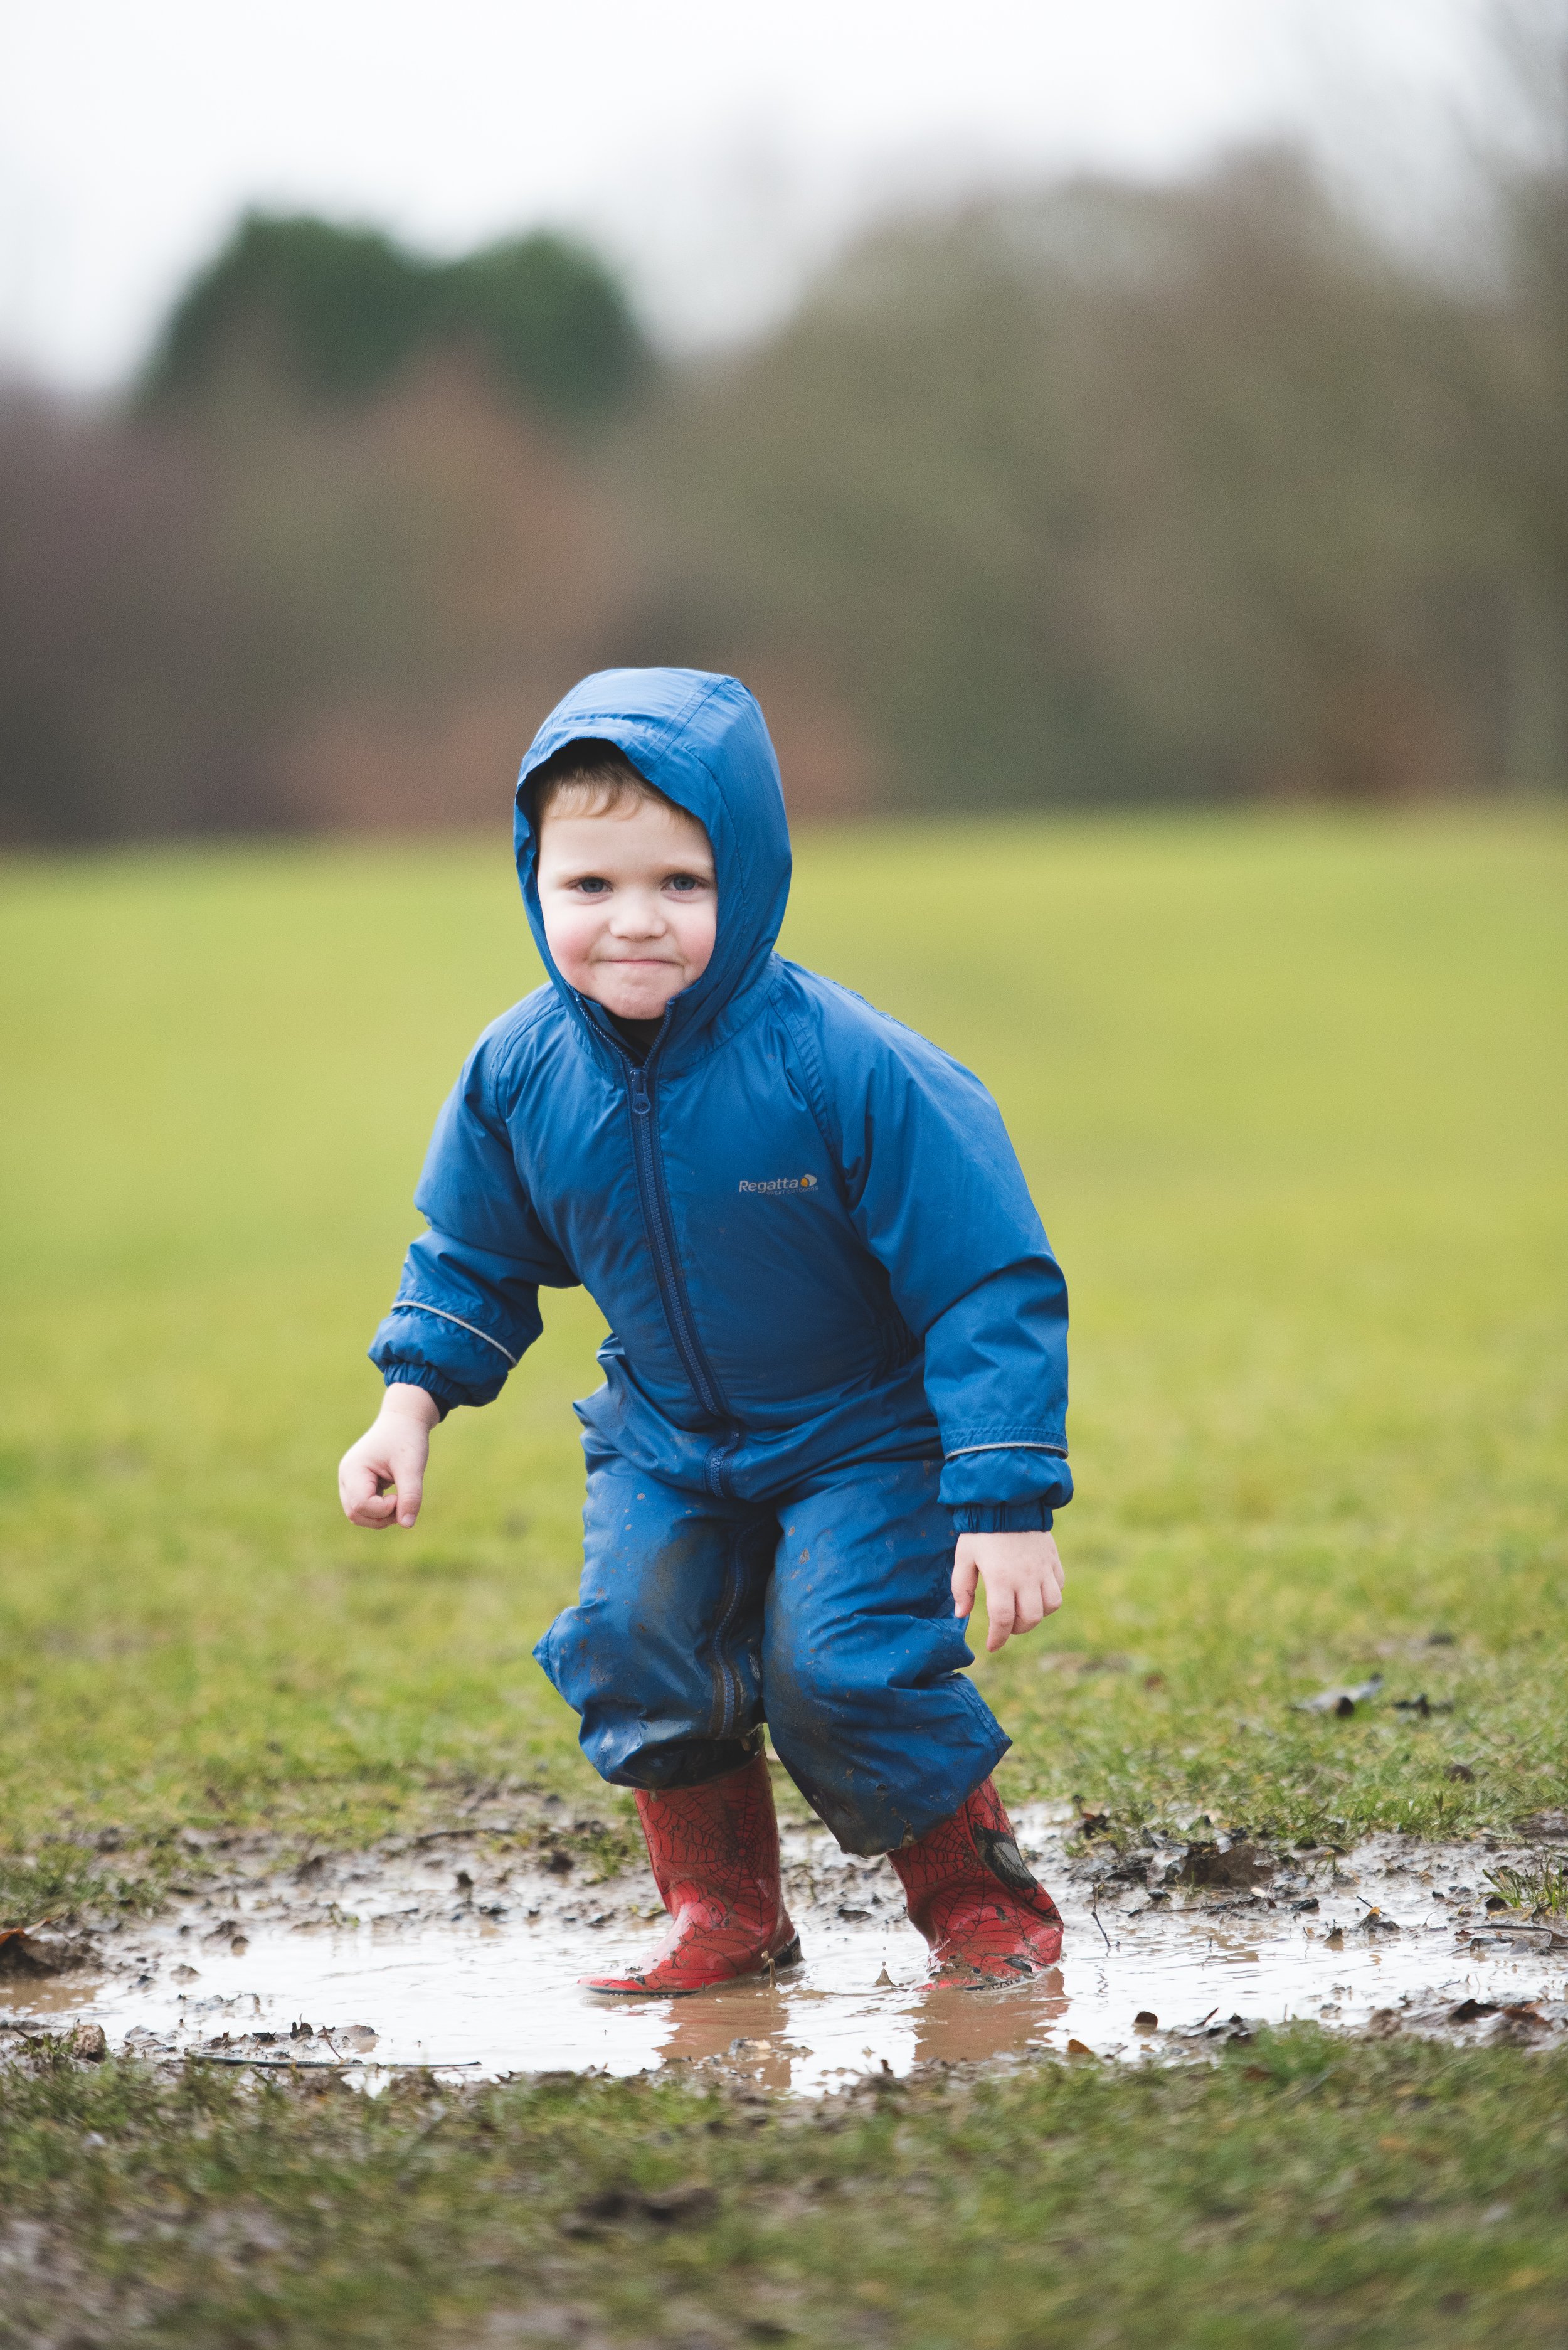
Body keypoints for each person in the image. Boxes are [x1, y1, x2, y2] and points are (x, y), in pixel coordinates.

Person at [338, 667, 1072, 1994]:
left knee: (842, 1665)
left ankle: (976, 1898)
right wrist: (408, 1403)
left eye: (680, 884)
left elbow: (984, 1279)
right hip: (667, 1434)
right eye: (589, 887)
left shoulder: (842, 1063)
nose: (632, 924)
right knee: (633, 1640)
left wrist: (1006, 1495)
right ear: (531, 881)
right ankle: (723, 1909)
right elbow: (473, 1254)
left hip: (860, 1429)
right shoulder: (519, 1072)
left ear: (751, 876)